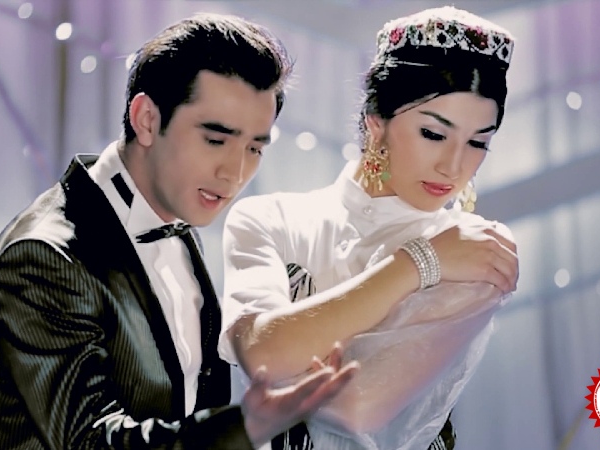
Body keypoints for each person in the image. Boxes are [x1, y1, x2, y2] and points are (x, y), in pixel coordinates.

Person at [0, 13, 357, 450]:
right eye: (215, 140)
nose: (235, 173)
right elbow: (91, 442)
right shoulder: (41, 258)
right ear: (147, 119)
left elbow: (187, 397)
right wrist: (246, 426)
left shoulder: (177, 220)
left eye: (253, 148)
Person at [218, 6, 519, 450]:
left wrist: (291, 340)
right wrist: (418, 263)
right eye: (434, 134)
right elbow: (263, 358)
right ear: (375, 124)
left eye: (478, 142)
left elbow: (357, 407)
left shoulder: (475, 249)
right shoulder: (269, 218)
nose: (454, 166)